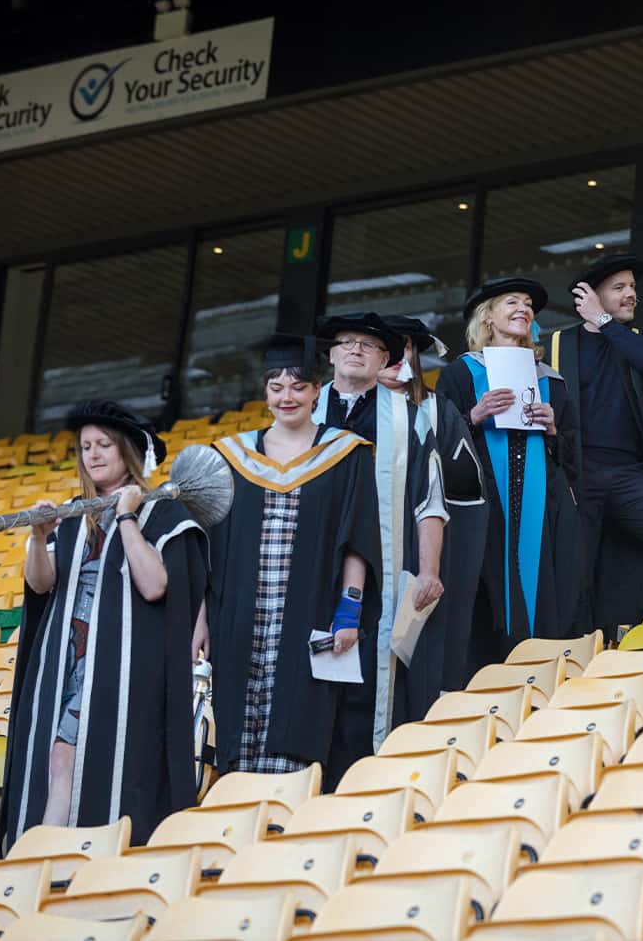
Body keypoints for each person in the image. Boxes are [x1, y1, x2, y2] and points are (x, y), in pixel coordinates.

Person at [0, 402, 207, 852]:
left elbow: (155, 587)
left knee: (85, 761)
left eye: (103, 445)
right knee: (59, 757)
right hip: (69, 663)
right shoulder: (75, 514)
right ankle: (42, 856)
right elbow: (41, 583)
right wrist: (38, 535)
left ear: (127, 451)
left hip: (123, 666)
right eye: (85, 447)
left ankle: (52, 857)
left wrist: (128, 516)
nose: (93, 455)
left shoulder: (162, 512)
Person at [203, 335, 381, 785]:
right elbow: (205, 551)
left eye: (298, 387)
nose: (287, 397)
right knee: (236, 728)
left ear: (317, 391)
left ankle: (287, 814)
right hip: (239, 616)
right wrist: (200, 621)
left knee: (300, 722)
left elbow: (357, 539)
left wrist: (350, 607)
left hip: (310, 609)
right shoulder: (230, 456)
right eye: (277, 387)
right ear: (265, 393)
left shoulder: (345, 453)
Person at [547, 252, 643, 635]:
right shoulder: (557, 346)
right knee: (575, 574)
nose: (631, 294)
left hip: (628, 475)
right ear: (592, 296)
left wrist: (604, 321)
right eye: (619, 288)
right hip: (578, 477)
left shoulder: (635, 343)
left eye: (633, 287)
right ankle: (568, 662)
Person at [313, 312, 446, 742]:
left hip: (385, 562)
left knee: (369, 675)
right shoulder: (302, 410)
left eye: (367, 345)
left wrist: (429, 570)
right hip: (310, 559)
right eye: (346, 342)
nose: (355, 350)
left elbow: (431, 500)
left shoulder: (410, 418)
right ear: (330, 353)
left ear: (385, 359)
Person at [436, 278, 586, 659]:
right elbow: (437, 443)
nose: (523, 309)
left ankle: (543, 668)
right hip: (485, 504)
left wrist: (552, 429)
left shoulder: (551, 380)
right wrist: (474, 415)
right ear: (488, 316)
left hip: (543, 506)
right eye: (511, 302)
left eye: (528, 305)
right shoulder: (460, 373)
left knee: (547, 584)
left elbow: (573, 457)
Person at [380, 314, 491, 694]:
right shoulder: (342, 413)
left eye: (404, 346)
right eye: (387, 346)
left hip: (425, 554)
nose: (396, 355)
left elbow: (464, 500)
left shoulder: (440, 412)